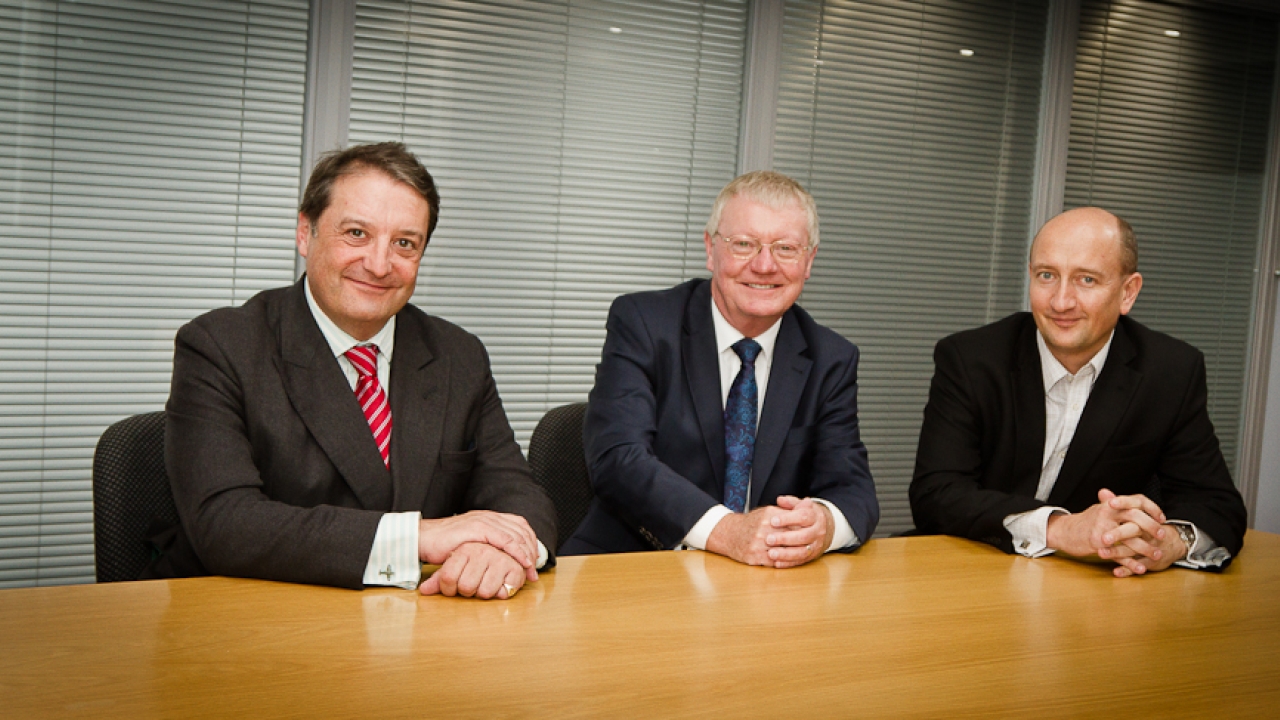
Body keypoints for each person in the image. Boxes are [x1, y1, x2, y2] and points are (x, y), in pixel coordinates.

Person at [147, 142, 556, 598]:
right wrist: (420, 536)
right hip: (251, 623)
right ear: (306, 233)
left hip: (419, 629)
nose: (380, 265)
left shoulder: (458, 355)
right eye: (357, 233)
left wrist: (504, 551)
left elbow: (519, 494)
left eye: (404, 243)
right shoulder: (222, 346)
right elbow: (225, 523)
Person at [561, 171, 879, 567]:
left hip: (763, 586)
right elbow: (618, 458)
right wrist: (727, 531)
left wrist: (825, 525)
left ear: (809, 261)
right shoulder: (644, 322)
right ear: (711, 250)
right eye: (744, 244)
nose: (764, 266)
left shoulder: (831, 357)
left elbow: (854, 489)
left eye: (785, 248)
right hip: (634, 565)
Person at [910, 207, 1247, 576]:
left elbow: (1217, 504)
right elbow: (936, 494)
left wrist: (1164, 541)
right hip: (973, 570)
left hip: (1093, 588)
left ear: (1128, 293)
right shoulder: (971, 359)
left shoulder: (1170, 372)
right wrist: (1060, 530)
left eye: (1086, 280)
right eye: (1047, 276)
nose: (1061, 302)